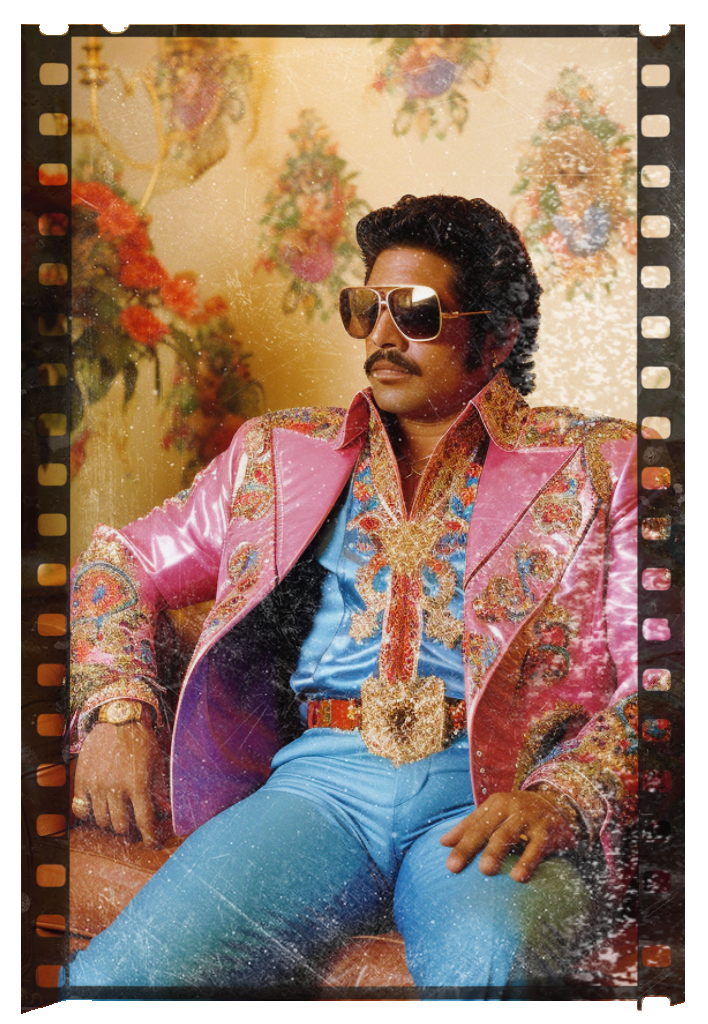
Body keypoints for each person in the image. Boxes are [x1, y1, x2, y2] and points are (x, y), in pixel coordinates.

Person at [68, 194, 638, 992]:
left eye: (416, 312)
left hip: (490, 799)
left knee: (489, 964)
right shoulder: (278, 455)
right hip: (319, 793)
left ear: (499, 335)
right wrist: (120, 711)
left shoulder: (598, 467)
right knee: (118, 981)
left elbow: (671, 671)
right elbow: (119, 561)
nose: (383, 334)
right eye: (366, 309)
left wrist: (564, 797)